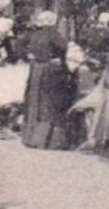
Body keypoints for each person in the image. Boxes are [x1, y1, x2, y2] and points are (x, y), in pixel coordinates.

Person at [20, 11, 75, 150]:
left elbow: (24, 48)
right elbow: (63, 47)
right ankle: (48, 141)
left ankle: (31, 138)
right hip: (49, 72)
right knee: (51, 104)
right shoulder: (53, 33)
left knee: (35, 103)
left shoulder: (35, 34)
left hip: (36, 71)